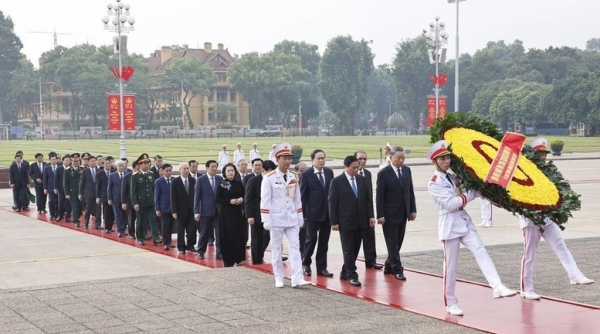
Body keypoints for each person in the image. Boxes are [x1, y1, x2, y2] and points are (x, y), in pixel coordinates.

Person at [427, 140, 516, 316]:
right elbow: (452, 203)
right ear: (434, 161)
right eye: (442, 158)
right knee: (451, 267)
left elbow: (471, 192)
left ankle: (497, 285)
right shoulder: (434, 182)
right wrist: (470, 194)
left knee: (481, 251)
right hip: (450, 224)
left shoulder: (453, 178)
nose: (447, 161)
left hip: (464, 222)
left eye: (447, 158)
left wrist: (485, 190)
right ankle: (451, 303)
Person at [519, 138, 593, 300]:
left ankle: (575, 275)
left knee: (561, 245)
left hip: (547, 217)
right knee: (529, 255)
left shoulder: (548, 172)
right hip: (531, 220)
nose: (543, 157)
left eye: (545, 154)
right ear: (532, 154)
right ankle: (526, 288)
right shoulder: (524, 171)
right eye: (540, 153)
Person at [261, 143, 310, 288]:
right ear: (277, 159)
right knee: (277, 249)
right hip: (276, 218)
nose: (288, 161)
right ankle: (279, 277)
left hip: (292, 218)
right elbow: (265, 200)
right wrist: (266, 219)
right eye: (284, 158)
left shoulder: (293, 176)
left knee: (295, 248)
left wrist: (300, 217)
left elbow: (297, 199)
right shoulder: (269, 178)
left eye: (289, 158)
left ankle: (297, 278)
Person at [329, 156, 376, 287]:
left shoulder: (361, 180)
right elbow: (332, 203)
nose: (356, 170)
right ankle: (352, 275)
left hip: (361, 220)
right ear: (346, 167)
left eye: (357, 167)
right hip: (345, 221)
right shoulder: (337, 181)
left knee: (355, 249)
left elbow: (367, 199)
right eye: (353, 168)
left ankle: (345, 271)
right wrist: (334, 222)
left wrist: (371, 216)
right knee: (348, 249)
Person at [376, 146, 417, 280]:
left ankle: (388, 265)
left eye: (403, 158)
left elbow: (409, 191)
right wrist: (380, 215)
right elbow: (379, 196)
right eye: (398, 158)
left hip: (403, 213)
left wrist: (412, 210)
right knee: (392, 243)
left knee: (398, 242)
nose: (401, 160)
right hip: (389, 215)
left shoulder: (406, 170)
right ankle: (397, 269)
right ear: (391, 158)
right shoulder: (384, 173)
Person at [300, 149, 335, 278]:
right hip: (312, 213)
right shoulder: (306, 174)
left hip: (327, 214)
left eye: (323, 158)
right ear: (312, 161)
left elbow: (332, 193)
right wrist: (302, 215)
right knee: (311, 239)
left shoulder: (329, 172)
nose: (321, 161)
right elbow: (302, 197)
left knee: (324, 241)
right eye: (318, 158)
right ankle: (306, 264)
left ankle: (322, 267)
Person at [355, 150, 382, 270]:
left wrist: (372, 215)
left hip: (366, 212)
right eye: (360, 159)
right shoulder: (350, 174)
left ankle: (371, 261)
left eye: (364, 159)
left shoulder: (367, 173)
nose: (362, 161)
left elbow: (369, 197)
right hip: (354, 213)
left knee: (370, 238)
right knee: (354, 241)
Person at [216, 163, 246, 267]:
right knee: (227, 235)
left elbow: (243, 194)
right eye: (228, 171)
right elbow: (217, 199)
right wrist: (230, 201)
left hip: (237, 213)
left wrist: (241, 199)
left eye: (232, 170)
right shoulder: (221, 184)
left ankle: (238, 257)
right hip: (226, 214)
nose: (230, 173)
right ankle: (228, 258)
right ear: (224, 172)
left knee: (238, 234)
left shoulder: (238, 183)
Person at [245, 159, 273, 264]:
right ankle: (256, 259)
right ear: (263, 170)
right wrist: (250, 215)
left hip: (269, 215)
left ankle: (260, 253)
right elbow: (248, 199)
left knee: (266, 236)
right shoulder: (254, 180)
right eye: (268, 171)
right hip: (256, 215)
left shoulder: (273, 181)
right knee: (256, 238)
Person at [194, 160, 223, 259]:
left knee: (219, 233)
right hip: (205, 211)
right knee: (204, 232)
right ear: (207, 168)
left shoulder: (220, 179)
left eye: (216, 167)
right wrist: (196, 212)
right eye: (212, 167)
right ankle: (201, 251)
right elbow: (197, 198)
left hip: (218, 211)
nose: (214, 169)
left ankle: (219, 252)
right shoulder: (201, 180)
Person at [131, 154, 161, 246]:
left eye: (148, 163)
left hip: (150, 202)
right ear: (139, 165)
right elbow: (133, 191)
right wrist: (135, 203)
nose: (146, 165)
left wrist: (155, 200)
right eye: (144, 163)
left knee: (153, 220)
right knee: (140, 222)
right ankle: (140, 238)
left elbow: (153, 189)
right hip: (140, 203)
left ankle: (156, 238)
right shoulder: (135, 176)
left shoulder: (151, 174)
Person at [171, 162, 197, 254]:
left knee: (192, 229)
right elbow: (173, 197)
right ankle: (181, 247)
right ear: (180, 170)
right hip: (180, 210)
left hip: (191, 209)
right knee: (180, 230)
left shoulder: (192, 180)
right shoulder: (175, 182)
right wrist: (174, 211)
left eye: (187, 169)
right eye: (184, 169)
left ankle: (191, 245)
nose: (186, 171)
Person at [155, 164, 175, 250]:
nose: (168, 172)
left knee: (171, 225)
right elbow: (157, 196)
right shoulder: (158, 181)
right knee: (164, 225)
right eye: (166, 171)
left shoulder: (174, 180)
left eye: (170, 170)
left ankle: (169, 241)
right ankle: (166, 242)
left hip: (173, 207)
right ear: (162, 171)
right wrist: (157, 208)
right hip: (163, 207)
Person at [79, 156, 100, 229]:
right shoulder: (85, 171)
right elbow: (82, 183)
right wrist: (80, 193)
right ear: (88, 162)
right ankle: (86, 223)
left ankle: (98, 224)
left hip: (97, 194)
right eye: (92, 161)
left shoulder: (99, 171)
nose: (93, 162)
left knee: (98, 209)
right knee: (88, 209)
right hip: (88, 193)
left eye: (94, 161)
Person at [107, 160, 127, 237]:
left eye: (122, 165)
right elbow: (109, 187)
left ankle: (124, 228)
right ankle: (120, 230)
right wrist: (109, 198)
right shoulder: (112, 175)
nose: (121, 167)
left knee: (125, 215)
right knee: (117, 215)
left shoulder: (127, 174)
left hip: (125, 199)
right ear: (116, 167)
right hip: (116, 198)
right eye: (120, 166)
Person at [65, 154, 85, 226]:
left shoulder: (82, 169)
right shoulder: (67, 170)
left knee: (81, 206)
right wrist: (67, 193)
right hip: (72, 192)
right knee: (75, 206)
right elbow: (66, 183)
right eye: (74, 161)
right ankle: (76, 221)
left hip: (81, 192)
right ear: (71, 161)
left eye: (77, 161)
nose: (76, 163)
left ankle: (77, 217)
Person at [95, 159, 114, 233]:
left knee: (112, 213)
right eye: (106, 164)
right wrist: (98, 197)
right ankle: (107, 227)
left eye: (109, 163)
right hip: (104, 196)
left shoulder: (113, 172)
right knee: (106, 212)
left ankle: (110, 226)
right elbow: (98, 186)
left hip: (113, 196)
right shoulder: (100, 174)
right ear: (103, 165)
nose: (108, 165)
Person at [121, 161, 139, 239]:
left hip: (141, 201)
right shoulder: (127, 176)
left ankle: (141, 233)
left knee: (142, 219)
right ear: (134, 167)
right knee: (131, 218)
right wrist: (123, 202)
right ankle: (131, 233)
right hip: (130, 201)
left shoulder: (143, 175)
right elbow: (123, 190)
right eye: (138, 167)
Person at [295, 162, 308, 256]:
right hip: (294, 213)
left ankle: (303, 253)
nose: (303, 173)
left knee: (305, 235)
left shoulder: (309, 180)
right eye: (301, 171)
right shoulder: (292, 182)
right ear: (296, 172)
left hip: (306, 213)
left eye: (305, 171)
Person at [55, 155, 72, 222]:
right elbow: (56, 179)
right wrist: (55, 188)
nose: (67, 162)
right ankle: (60, 215)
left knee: (69, 204)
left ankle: (68, 216)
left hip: (69, 190)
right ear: (63, 161)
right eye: (66, 160)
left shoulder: (71, 169)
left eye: (68, 160)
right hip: (61, 189)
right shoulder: (59, 169)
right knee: (61, 203)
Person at [43, 155, 59, 220]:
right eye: (52, 160)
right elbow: (45, 179)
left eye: (54, 159)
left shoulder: (60, 167)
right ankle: (52, 214)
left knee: (58, 202)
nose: (53, 161)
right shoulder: (47, 168)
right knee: (51, 201)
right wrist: (45, 188)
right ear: (50, 160)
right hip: (50, 187)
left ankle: (57, 214)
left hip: (59, 188)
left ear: (57, 160)